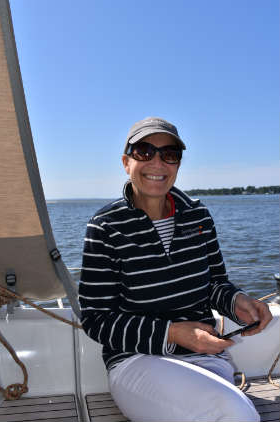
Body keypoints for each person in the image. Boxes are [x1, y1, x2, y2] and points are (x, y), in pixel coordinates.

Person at [79, 117, 272, 422]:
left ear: (178, 164)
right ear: (126, 162)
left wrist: (238, 302)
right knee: (234, 413)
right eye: (144, 151)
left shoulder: (198, 215)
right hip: (138, 362)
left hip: (208, 358)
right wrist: (173, 333)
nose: (158, 162)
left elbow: (215, 285)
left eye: (170, 154)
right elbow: (96, 320)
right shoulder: (105, 227)